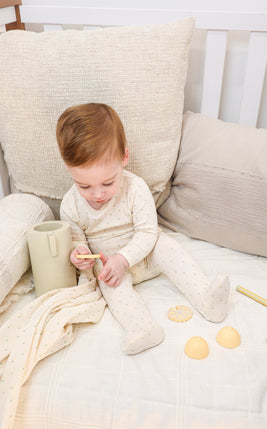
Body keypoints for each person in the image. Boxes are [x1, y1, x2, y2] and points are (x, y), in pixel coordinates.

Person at [57, 103, 230, 355]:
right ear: (68, 169)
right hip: (110, 268)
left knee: (168, 246)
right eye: (84, 186)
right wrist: (80, 255)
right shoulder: (70, 204)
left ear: (124, 158)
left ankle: (207, 297)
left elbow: (148, 233)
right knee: (109, 285)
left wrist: (125, 259)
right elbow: (76, 239)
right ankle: (142, 328)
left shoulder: (135, 189)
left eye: (107, 182)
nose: (97, 194)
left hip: (145, 255)